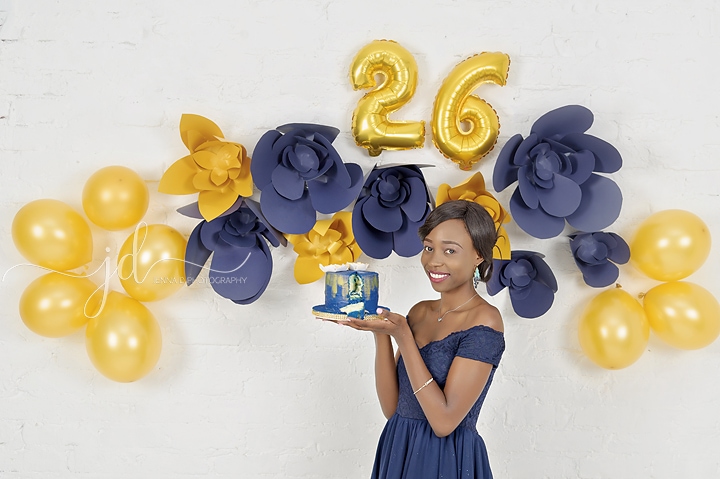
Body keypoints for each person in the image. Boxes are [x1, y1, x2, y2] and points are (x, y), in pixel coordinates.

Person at [343, 200, 505, 479]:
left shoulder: (485, 320)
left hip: (447, 459)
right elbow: (393, 408)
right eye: (429, 247)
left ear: (478, 255)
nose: (433, 261)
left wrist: (403, 337)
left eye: (450, 250)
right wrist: (381, 335)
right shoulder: (419, 312)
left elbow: (444, 422)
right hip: (398, 447)